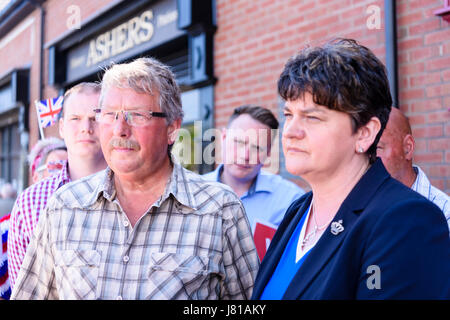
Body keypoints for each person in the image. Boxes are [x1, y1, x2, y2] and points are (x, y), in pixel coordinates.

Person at [11, 57, 259, 300]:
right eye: (109, 114)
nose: (120, 129)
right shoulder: (63, 206)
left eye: (137, 115)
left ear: (172, 128)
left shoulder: (220, 209)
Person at [251, 38, 450, 300]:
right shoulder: (298, 211)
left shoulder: (405, 221)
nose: (290, 132)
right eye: (289, 115)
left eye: (312, 117)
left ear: (365, 134)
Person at [8, 82, 107, 288]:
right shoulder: (29, 203)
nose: (85, 128)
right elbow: (23, 289)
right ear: (61, 127)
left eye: (95, 118)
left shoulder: (134, 193)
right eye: (75, 119)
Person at [203, 105, 305, 260]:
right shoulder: (192, 192)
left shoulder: (292, 200)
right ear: (223, 138)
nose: (245, 155)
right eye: (238, 142)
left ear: (269, 153)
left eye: (257, 147)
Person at [377, 107, 449, 230]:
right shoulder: (358, 208)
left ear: (408, 148)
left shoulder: (444, 214)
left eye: (378, 148)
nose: (369, 158)